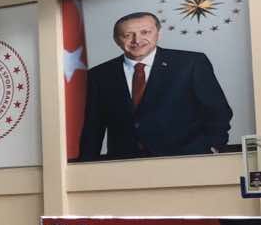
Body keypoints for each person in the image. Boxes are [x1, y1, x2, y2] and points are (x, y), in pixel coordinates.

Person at [77, 10, 234, 160]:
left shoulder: (191, 63)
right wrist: (86, 166)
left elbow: (218, 111)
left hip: (186, 158)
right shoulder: (99, 75)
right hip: (124, 164)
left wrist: (212, 147)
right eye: (128, 35)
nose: (137, 40)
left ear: (158, 33)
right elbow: (93, 127)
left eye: (145, 32)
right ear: (117, 40)